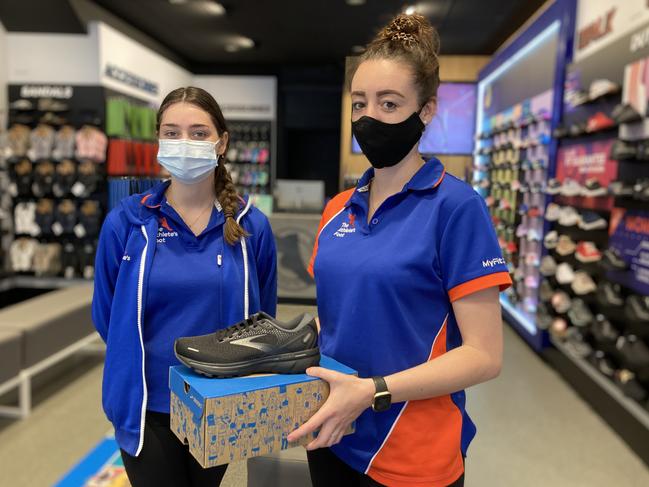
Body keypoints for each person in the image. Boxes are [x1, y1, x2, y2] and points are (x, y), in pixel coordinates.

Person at [288, 14, 512, 487]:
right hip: (333, 432)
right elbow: (337, 316)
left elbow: (484, 356)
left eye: (389, 104)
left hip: (412, 453)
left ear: (426, 111)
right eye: (360, 103)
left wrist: (374, 392)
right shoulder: (336, 210)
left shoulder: (456, 208)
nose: (370, 117)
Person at [92, 87, 277, 487]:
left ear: (221, 142)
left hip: (219, 401)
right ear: (158, 139)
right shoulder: (127, 222)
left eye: (198, 132)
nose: (184, 143)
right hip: (147, 405)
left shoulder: (250, 226)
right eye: (172, 133)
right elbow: (107, 315)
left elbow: (264, 318)